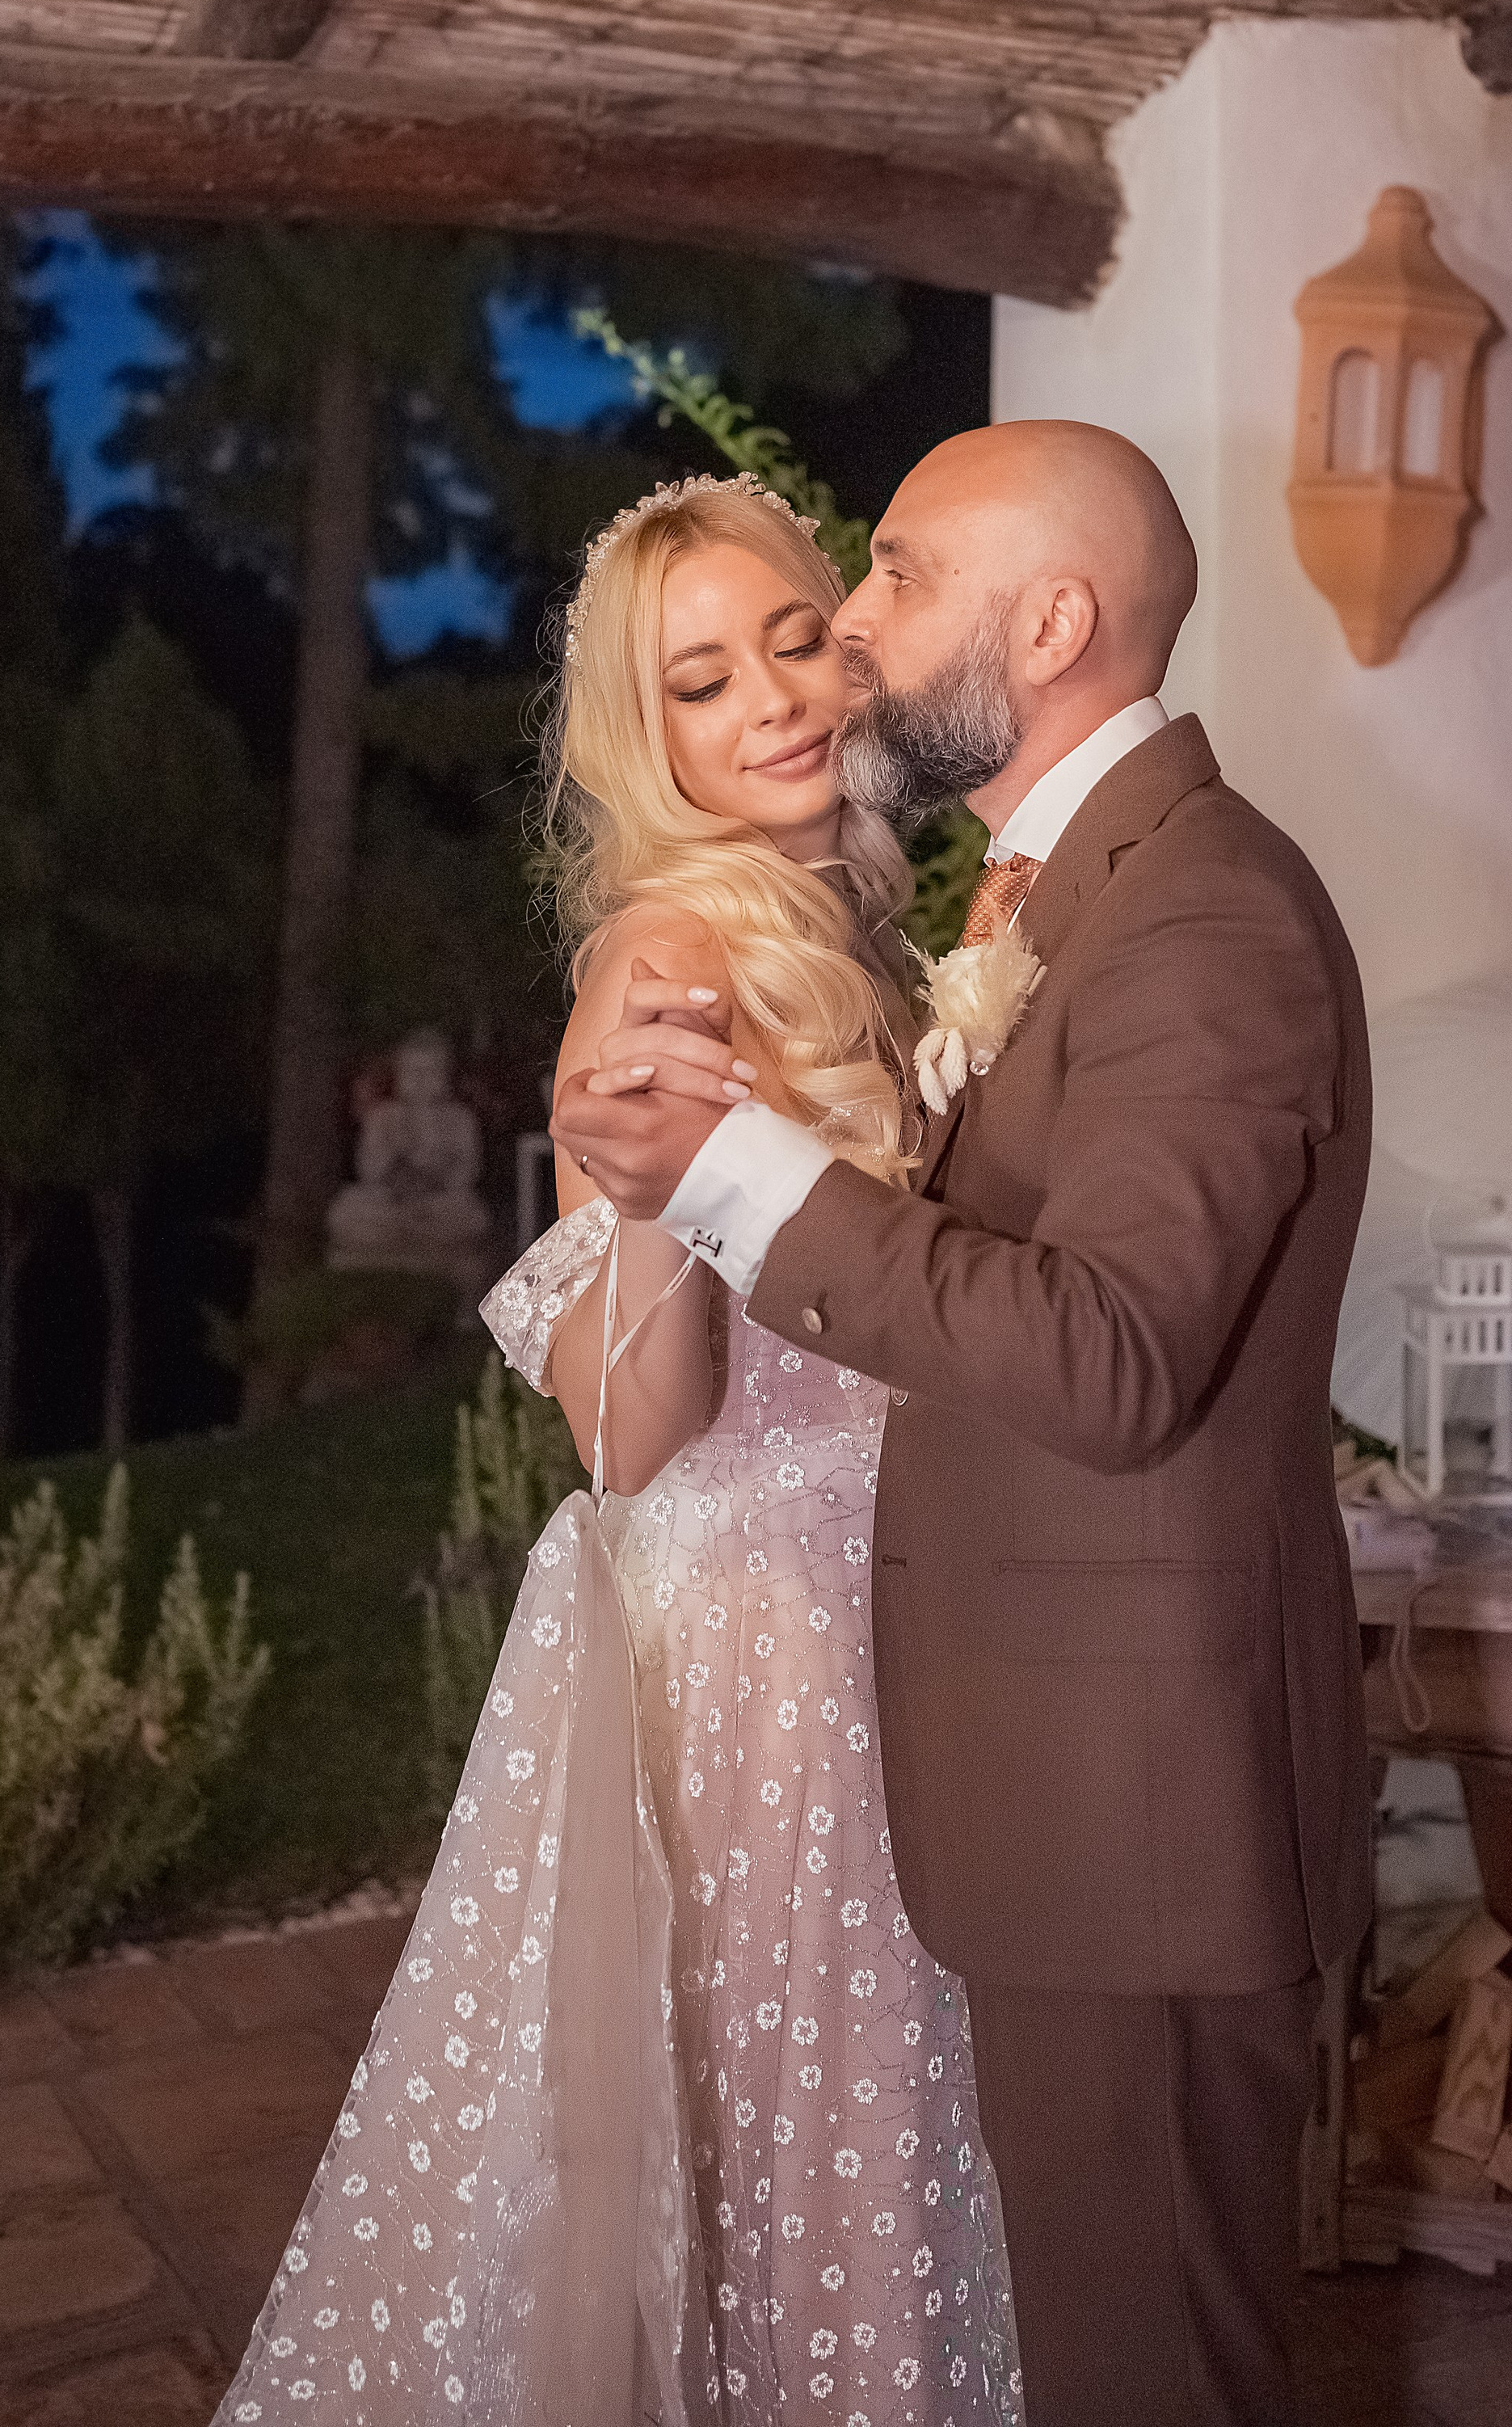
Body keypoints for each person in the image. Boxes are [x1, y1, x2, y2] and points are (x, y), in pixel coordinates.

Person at [554, 421, 1374, 2427]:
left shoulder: (1196, 911)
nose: (849, 630)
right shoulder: (1057, 897)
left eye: (896, 577)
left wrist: (727, 1174)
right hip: (1007, 1750)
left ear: (1051, 623)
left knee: (1141, 2368)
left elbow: (1109, 1356)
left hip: (1130, 1798)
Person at [213, 474, 1021, 2427]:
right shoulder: (667, 955)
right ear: (639, 739)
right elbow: (635, 1434)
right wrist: (656, 1194)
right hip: (767, 1655)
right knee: (785, 2144)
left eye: (792, 640)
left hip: (882, 1613)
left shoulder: (853, 924)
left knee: (868, 2136)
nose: (772, 700)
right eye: (699, 681)